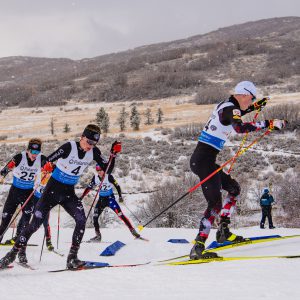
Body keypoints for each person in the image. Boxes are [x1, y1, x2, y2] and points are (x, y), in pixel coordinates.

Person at [0, 124, 121, 269]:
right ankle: (11, 255)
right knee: (34, 225)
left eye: (94, 143)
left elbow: (107, 170)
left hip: (68, 193)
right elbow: (49, 159)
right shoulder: (69, 147)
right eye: (89, 141)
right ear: (82, 137)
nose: (91, 145)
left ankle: (72, 258)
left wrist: (113, 155)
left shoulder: (94, 152)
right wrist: (48, 166)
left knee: (81, 219)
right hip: (51, 191)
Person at [189, 81, 286, 259]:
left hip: (204, 161)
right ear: (242, 94)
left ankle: (223, 231)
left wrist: (257, 106)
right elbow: (239, 127)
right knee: (215, 204)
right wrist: (268, 123)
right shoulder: (229, 108)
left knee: (234, 189)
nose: (251, 103)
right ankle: (198, 248)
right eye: (251, 98)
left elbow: (237, 113)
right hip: (203, 162)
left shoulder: (228, 106)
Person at [0, 138, 46, 262]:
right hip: (14, 193)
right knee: (4, 223)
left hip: (28, 195)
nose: (34, 156)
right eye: (32, 152)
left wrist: (50, 169)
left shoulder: (41, 159)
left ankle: (21, 253)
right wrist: (2, 176)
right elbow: (5, 169)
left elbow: (51, 166)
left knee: (25, 225)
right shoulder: (20, 157)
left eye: (37, 153)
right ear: (28, 150)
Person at [80, 164, 140, 241]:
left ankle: (133, 231)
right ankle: (98, 236)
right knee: (95, 217)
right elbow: (88, 188)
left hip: (110, 199)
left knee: (120, 215)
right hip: (101, 200)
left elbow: (117, 186)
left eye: (101, 170)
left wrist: (120, 196)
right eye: (98, 171)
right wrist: (82, 196)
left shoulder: (108, 176)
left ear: (104, 170)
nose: (99, 172)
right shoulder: (95, 178)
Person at [4, 170, 54, 252]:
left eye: (47, 172)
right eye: (44, 171)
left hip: (44, 202)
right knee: (25, 217)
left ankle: (48, 242)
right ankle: (17, 236)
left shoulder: (52, 177)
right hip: (34, 199)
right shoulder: (38, 173)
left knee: (45, 222)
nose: (45, 173)